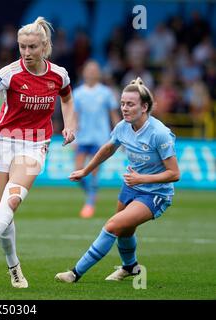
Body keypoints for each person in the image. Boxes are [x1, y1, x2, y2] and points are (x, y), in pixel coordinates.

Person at [0, 17, 76, 288]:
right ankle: (14, 267)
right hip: (3, 141)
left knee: (11, 203)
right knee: (3, 211)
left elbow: (67, 98)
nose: (26, 52)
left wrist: (69, 125)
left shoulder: (59, 75)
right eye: (22, 46)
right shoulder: (9, 73)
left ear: (44, 45)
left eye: (32, 47)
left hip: (34, 144)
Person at [55, 77, 180, 283]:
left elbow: (174, 174)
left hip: (155, 193)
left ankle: (75, 273)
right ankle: (130, 267)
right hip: (131, 186)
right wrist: (86, 170)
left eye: (130, 104)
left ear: (144, 107)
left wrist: (142, 178)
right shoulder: (123, 126)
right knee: (124, 230)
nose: (124, 108)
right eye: (122, 103)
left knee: (113, 225)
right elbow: (108, 149)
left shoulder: (159, 134)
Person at [73, 60, 120, 218]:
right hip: (83, 137)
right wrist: (73, 137)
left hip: (101, 138)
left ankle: (90, 204)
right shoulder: (78, 93)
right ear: (84, 72)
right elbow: (75, 117)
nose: (92, 72)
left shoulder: (106, 92)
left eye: (95, 70)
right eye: (89, 70)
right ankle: (92, 193)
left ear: (99, 73)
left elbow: (113, 115)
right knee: (77, 170)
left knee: (93, 171)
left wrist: (119, 134)